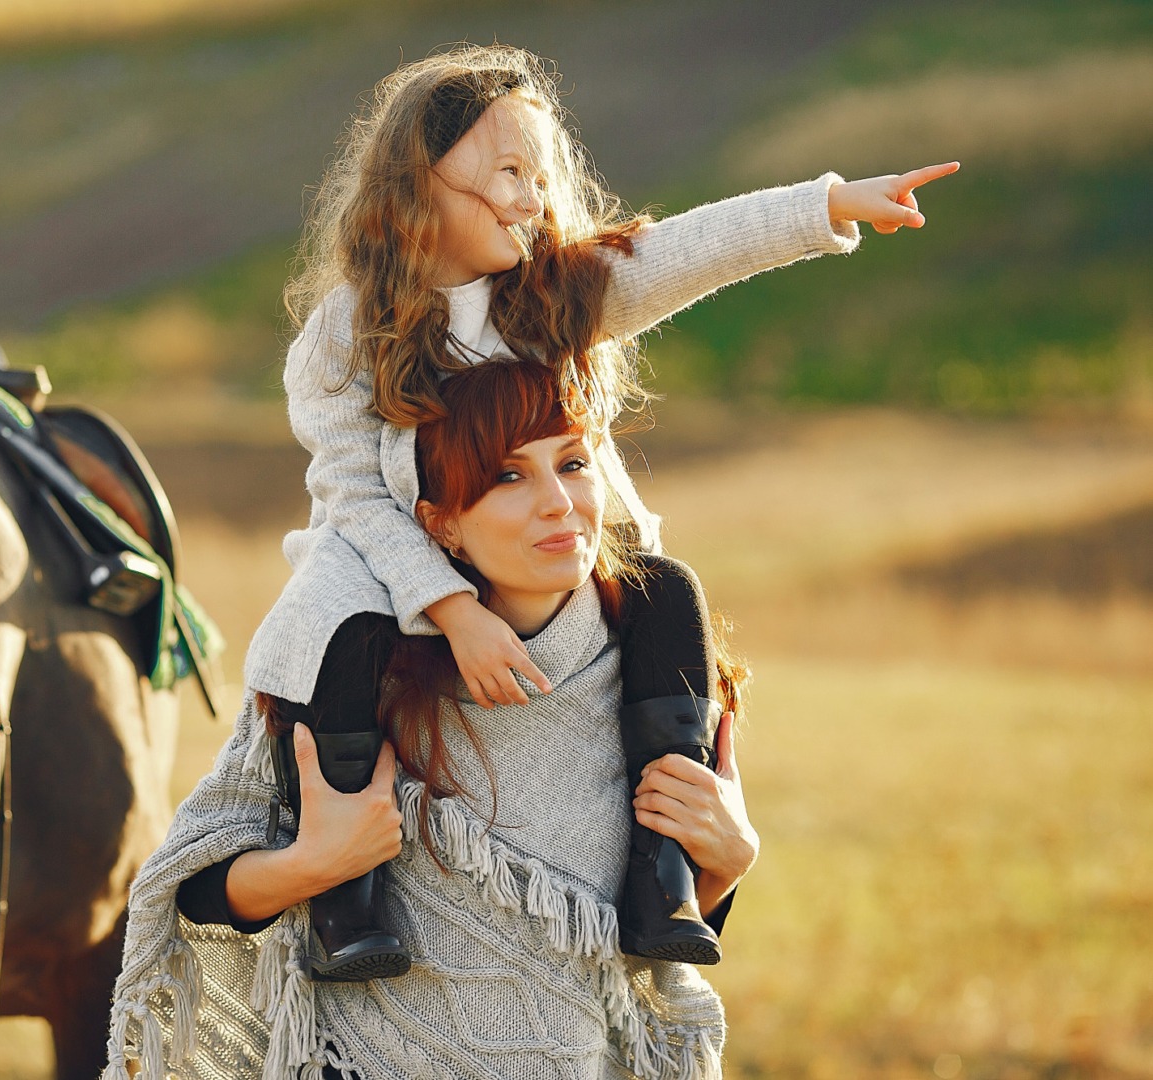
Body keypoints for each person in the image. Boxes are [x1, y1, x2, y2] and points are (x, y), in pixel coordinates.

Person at [234, 42, 957, 979]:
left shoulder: (554, 293)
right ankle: (345, 891)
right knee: (330, 627)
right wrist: (451, 612)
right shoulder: (343, 331)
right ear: (422, 181)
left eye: (540, 174)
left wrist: (825, 205)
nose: (533, 195)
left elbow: (691, 247)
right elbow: (354, 490)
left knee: (664, 592)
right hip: (392, 542)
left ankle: (661, 868)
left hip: (556, 535)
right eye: (507, 171)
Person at [104, 360, 757, 1079]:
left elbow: (642, 945)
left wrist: (725, 866)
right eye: (509, 477)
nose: (559, 503)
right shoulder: (352, 666)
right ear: (439, 523)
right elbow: (195, 890)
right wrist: (310, 866)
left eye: (572, 464)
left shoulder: (653, 668)